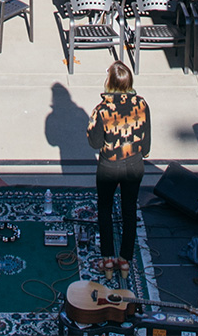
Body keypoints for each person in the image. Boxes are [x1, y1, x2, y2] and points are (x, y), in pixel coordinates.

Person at [87, 61, 151, 276]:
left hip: (109, 166)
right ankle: (125, 260)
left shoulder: (102, 110)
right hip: (134, 164)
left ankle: (107, 259)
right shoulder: (142, 104)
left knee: (104, 208)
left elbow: (95, 143)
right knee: (129, 209)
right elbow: (146, 144)